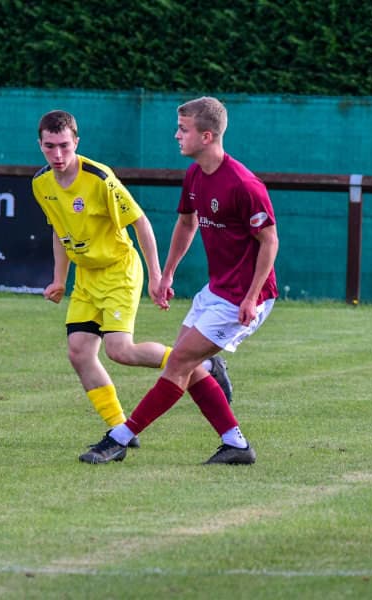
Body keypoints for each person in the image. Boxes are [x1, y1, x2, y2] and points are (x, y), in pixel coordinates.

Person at [80, 96, 278, 465]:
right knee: (187, 363)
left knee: (179, 364)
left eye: (183, 130)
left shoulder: (244, 184)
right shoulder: (194, 175)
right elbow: (187, 223)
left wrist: (252, 297)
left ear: (206, 136)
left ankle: (119, 438)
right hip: (216, 290)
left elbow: (270, 242)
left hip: (244, 297)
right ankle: (235, 445)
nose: (176, 135)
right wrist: (166, 273)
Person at [32, 110, 232, 459]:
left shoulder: (99, 178)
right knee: (79, 352)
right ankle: (118, 430)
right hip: (87, 277)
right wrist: (59, 279)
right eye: (50, 147)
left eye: (64, 145)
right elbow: (59, 232)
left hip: (118, 270)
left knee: (120, 351)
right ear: (40, 145)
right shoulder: (41, 183)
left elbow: (140, 222)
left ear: (76, 142)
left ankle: (201, 365)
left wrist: (156, 275)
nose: (58, 154)